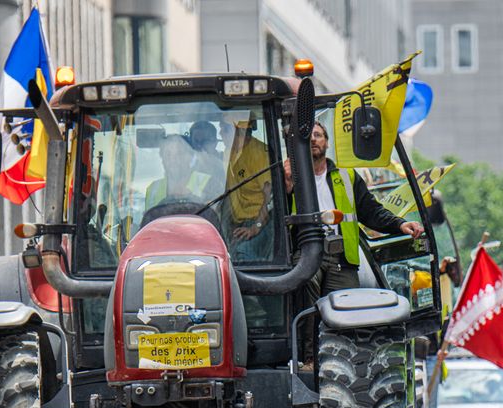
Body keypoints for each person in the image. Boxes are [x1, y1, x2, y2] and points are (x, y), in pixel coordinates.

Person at [284, 121, 423, 297]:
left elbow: (371, 211)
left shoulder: (346, 175)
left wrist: (400, 224)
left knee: (347, 312)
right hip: (306, 253)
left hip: (342, 259)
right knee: (305, 290)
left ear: (327, 143)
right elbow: (278, 219)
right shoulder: (288, 176)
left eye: (318, 135)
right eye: (308, 136)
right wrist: (287, 187)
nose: (313, 140)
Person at [221, 117, 274, 262]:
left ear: (240, 132)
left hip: (262, 221)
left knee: (242, 255)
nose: (220, 133)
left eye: (225, 129)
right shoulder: (231, 152)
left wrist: (256, 227)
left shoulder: (259, 154)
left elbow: (271, 196)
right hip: (239, 222)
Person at [144, 134, 212, 211]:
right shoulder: (153, 190)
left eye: (179, 154)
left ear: (190, 157)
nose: (173, 160)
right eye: (168, 154)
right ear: (162, 159)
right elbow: (148, 220)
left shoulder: (206, 182)